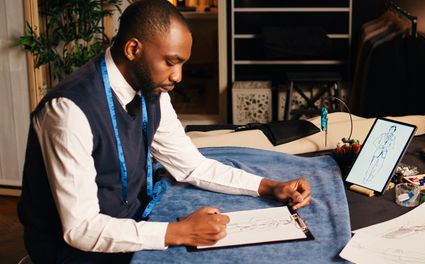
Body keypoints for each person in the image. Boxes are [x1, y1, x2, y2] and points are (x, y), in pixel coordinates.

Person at [17, 0, 311, 263]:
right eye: (171, 62)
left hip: (139, 221)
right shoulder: (68, 110)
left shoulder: (152, 90)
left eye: (182, 64)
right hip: (76, 253)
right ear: (133, 49)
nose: (178, 76)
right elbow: (80, 230)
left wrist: (269, 187)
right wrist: (178, 232)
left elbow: (191, 166)